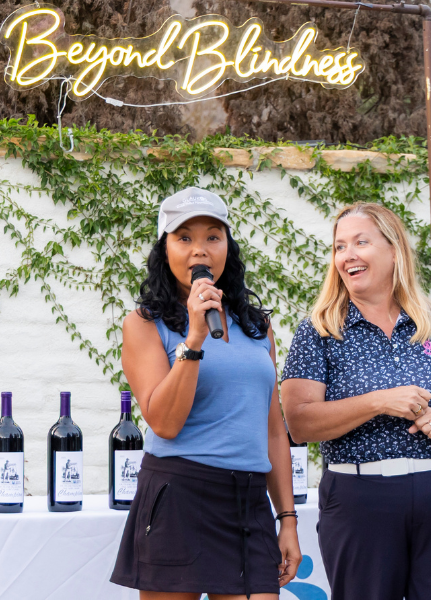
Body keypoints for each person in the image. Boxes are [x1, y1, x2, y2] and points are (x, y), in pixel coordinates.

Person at [281, 203, 431, 600]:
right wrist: (378, 401)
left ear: (394, 250)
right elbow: (300, 422)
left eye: (361, 242)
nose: (348, 255)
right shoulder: (319, 331)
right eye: (340, 246)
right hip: (360, 500)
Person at [111, 187, 302, 600]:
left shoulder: (256, 327)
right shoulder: (145, 324)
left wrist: (287, 518)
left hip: (247, 499)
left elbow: (272, 429)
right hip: (179, 494)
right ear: (165, 249)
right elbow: (164, 421)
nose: (200, 250)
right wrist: (194, 339)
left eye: (213, 237)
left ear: (228, 248)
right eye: (185, 238)